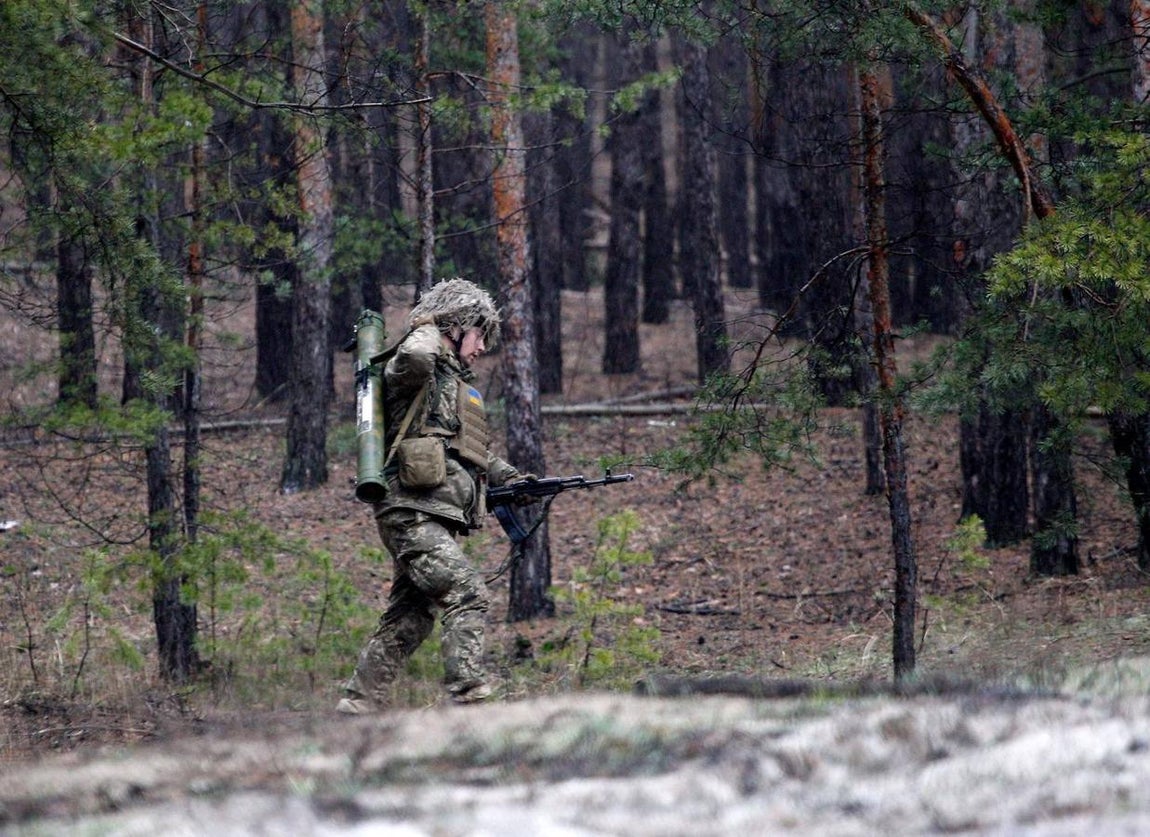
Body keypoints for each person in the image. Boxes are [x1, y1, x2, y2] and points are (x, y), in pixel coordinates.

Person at [338, 278, 533, 714]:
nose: (483, 348)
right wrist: (433, 324)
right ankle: (470, 698)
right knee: (467, 593)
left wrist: (514, 480)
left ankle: (357, 704)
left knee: (411, 615)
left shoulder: (455, 386)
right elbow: (415, 353)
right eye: (479, 333)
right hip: (410, 511)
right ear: (459, 324)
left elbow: (470, 453)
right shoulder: (416, 364)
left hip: (431, 511)